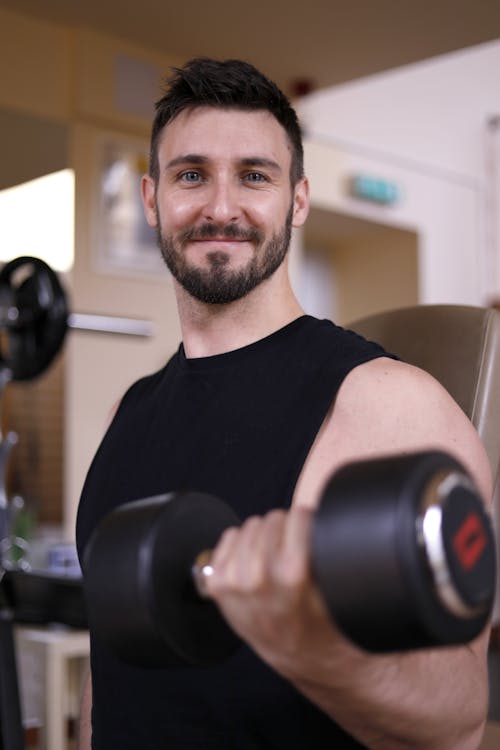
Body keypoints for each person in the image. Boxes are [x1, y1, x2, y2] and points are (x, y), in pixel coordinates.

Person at [76, 58, 492, 750]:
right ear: (151, 199)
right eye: (191, 174)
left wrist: (307, 645)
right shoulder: (134, 406)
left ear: (297, 200)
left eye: (254, 175)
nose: (219, 206)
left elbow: (456, 722)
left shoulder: (387, 403)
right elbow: (111, 666)